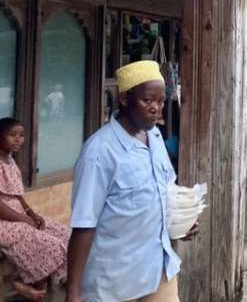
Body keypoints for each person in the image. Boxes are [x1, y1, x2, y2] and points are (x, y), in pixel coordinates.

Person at [66, 61, 196, 302]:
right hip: (115, 282)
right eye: (148, 100)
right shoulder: (99, 152)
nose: (156, 109)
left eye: (160, 101)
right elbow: (84, 224)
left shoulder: (155, 137)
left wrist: (180, 222)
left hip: (159, 270)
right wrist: (73, 291)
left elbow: (166, 191)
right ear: (125, 98)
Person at [0, 118, 70, 301]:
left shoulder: (10, 161)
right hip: (4, 222)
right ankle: (30, 288)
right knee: (48, 243)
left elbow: (16, 193)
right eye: (12, 135)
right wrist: (24, 220)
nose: (18, 140)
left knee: (62, 232)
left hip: (18, 217)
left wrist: (31, 213)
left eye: (21, 135)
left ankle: (38, 285)